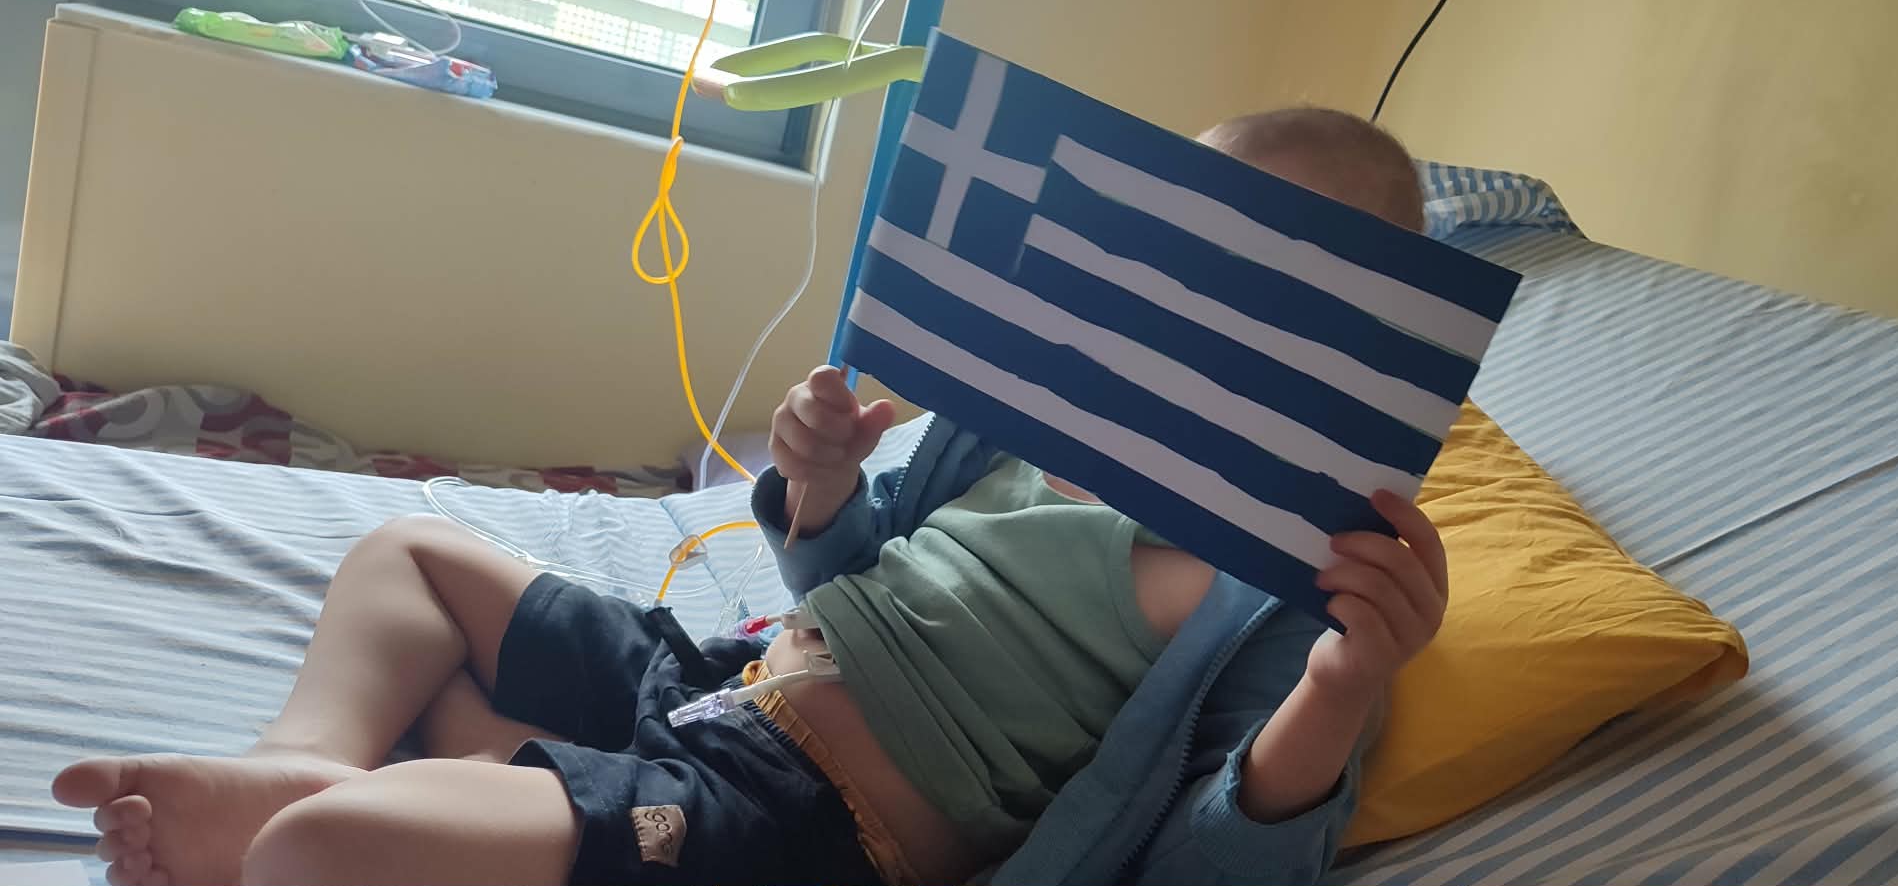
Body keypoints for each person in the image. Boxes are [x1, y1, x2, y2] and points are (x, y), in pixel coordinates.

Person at [51, 107, 1448, 886]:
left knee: (323, 855)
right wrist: (821, 485)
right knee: (406, 551)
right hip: (725, 683)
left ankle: (368, 798)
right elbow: (856, 569)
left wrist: (1339, 686)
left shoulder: (1296, 572)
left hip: (810, 818)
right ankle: (308, 756)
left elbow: (1212, 862)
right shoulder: (1023, 417)